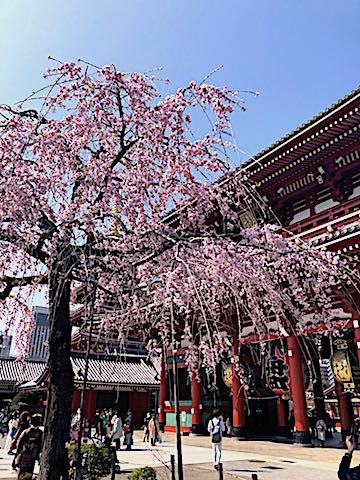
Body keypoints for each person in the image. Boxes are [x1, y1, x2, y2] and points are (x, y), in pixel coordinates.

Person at [14, 414, 43, 480]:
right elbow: (41, 445)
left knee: (22, 470)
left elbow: (19, 443)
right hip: (33, 454)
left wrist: (18, 453)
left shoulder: (26, 431)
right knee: (30, 470)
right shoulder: (40, 432)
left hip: (25, 453)